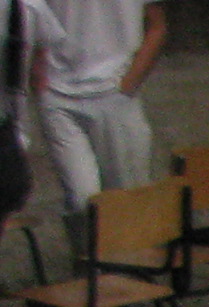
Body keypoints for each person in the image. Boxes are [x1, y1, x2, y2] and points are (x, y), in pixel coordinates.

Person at [28, 0, 157, 214]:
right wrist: (39, 71)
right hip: (58, 93)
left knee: (129, 203)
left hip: (115, 93)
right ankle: (85, 236)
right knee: (82, 201)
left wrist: (129, 82)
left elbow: (156, 24)